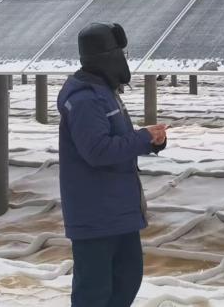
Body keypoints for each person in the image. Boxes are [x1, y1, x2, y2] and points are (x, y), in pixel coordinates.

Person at [58, 22, 167, 307]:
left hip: (118, 211)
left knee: (127, 279)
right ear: (106, 56)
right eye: (120, 53)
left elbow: (116, 141)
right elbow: (97, 150)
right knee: (94, 292)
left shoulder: (104, 91)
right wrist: (142, 138)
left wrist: (150, 141)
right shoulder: (84, 99)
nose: (124, 59)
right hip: (96, 215)